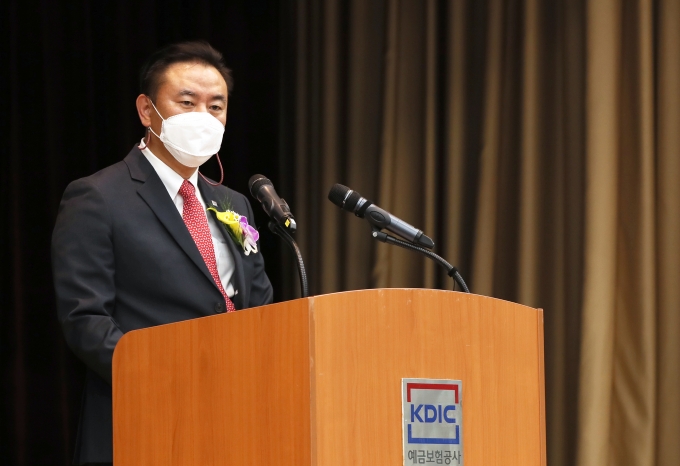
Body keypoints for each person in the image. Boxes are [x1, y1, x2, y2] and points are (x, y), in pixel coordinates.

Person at [51, 41, 273, 465]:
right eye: (187, 103)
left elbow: (258, 306)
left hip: (235, 417)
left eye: (216, 106)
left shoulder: (234, 203)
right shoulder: (98, 197)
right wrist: (167, 381)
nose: (203, 117)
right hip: (145, 416)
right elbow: (86, 318)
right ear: (146, 110)